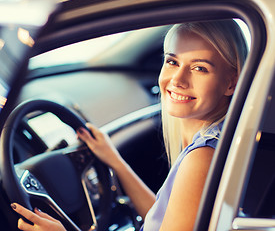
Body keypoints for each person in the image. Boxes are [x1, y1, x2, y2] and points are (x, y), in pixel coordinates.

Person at [11, 19, 248, 231]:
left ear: (231, 83)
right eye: (172, 62)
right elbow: (162, 217)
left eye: (199, 68)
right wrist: (115, 161)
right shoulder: (213, 141)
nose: (177, 79)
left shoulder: (202, 157)